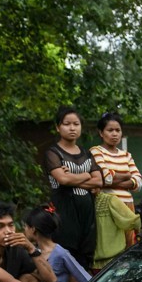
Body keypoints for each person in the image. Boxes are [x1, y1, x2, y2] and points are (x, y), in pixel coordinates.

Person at [43, 106, 101, 270]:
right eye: (67, 124)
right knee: (66, 258)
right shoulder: (53, 153)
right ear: (58, 127)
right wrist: (86, 175)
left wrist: (72, 178)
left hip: (87, 216)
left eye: (76, 124)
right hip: (64, 214)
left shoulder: (87, 154)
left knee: (85, 258)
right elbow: (62, 179)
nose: (72, 128)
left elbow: (99, 181)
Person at [89, 112, 142, 246]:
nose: (115, 134)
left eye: (118, 130)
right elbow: (104, 178)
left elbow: (139, 183)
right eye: (110, 130)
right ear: (101, 133)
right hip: (109, 206)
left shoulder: (126, 155)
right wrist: (127, 176)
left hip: (128, 206)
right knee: (111, 246)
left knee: (129, 244)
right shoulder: (96, 151)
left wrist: (113, 178)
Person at [22, 205, 91, 282]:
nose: (24, 230)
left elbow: (84, 277)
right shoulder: (31, 251)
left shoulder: (60, 253)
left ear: (33, 229)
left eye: (25, 226)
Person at [93, 190, 142, 270]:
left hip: (114, 263)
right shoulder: (81, 200)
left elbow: (133, 221)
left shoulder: (110, 200)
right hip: (88, 265)